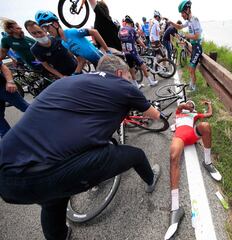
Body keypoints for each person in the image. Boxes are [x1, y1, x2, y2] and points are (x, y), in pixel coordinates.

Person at [0, 55, 162, 240]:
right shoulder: (122, 85)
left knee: (53, 199)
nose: (129, 81)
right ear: (119, 73)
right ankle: (151, 179)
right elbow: (155, 115)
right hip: (49, 173)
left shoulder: (68, 81)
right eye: (128, 77)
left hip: (6, 177)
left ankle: (60, 235)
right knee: (136, 155)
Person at [164, 100, 222, 240]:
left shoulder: (195, 115)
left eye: (192, 104)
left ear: (194, 108)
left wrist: (209, 104)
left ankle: (207, 162)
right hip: (180, 138)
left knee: (206, 126)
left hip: (192, 135)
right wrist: (186, 105)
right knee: (173, 155)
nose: (189, 105)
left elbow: (209, 114)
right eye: (188, 103)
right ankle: (176, 208)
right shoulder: (179, 112)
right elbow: (180, 106)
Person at [35, 10, 111, 67]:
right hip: (97, 65)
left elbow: (94, 32)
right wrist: (76, 73)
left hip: (104, 60)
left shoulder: (71, 32)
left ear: (55, 24)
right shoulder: (63, 43)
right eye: (44, 29)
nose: (47, 31)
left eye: (47, 27)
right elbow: (81, 61)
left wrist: (107, 50)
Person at [169, 0, 203, 92]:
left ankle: (193, 87)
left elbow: (197, 36)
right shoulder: (189, 21)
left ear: (187, 10)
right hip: (194, 47)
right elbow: (180, 27)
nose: (181, 15)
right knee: (190, 68)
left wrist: (185, 35)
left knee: (191, 68)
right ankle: (192, 85)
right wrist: (171, 22)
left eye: (182, 13)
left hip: (198, 47)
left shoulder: (194, 20)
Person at [119, 15, 158, 88]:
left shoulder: (120, 31)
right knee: (143, 65)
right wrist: (145, 47)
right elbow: (138, 40)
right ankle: (150, 82)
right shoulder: (131, 29)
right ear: (131, 23)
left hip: (126, 52)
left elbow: (120, 42)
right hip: (133, 51)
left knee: (131, 68)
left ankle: (136, 85)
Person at [0, 60, 29, 138]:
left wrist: (10, 82)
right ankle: (12, 143)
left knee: (25, 107)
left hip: (3, 88)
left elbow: (3, 67)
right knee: (1, 125)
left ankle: (45, 122)